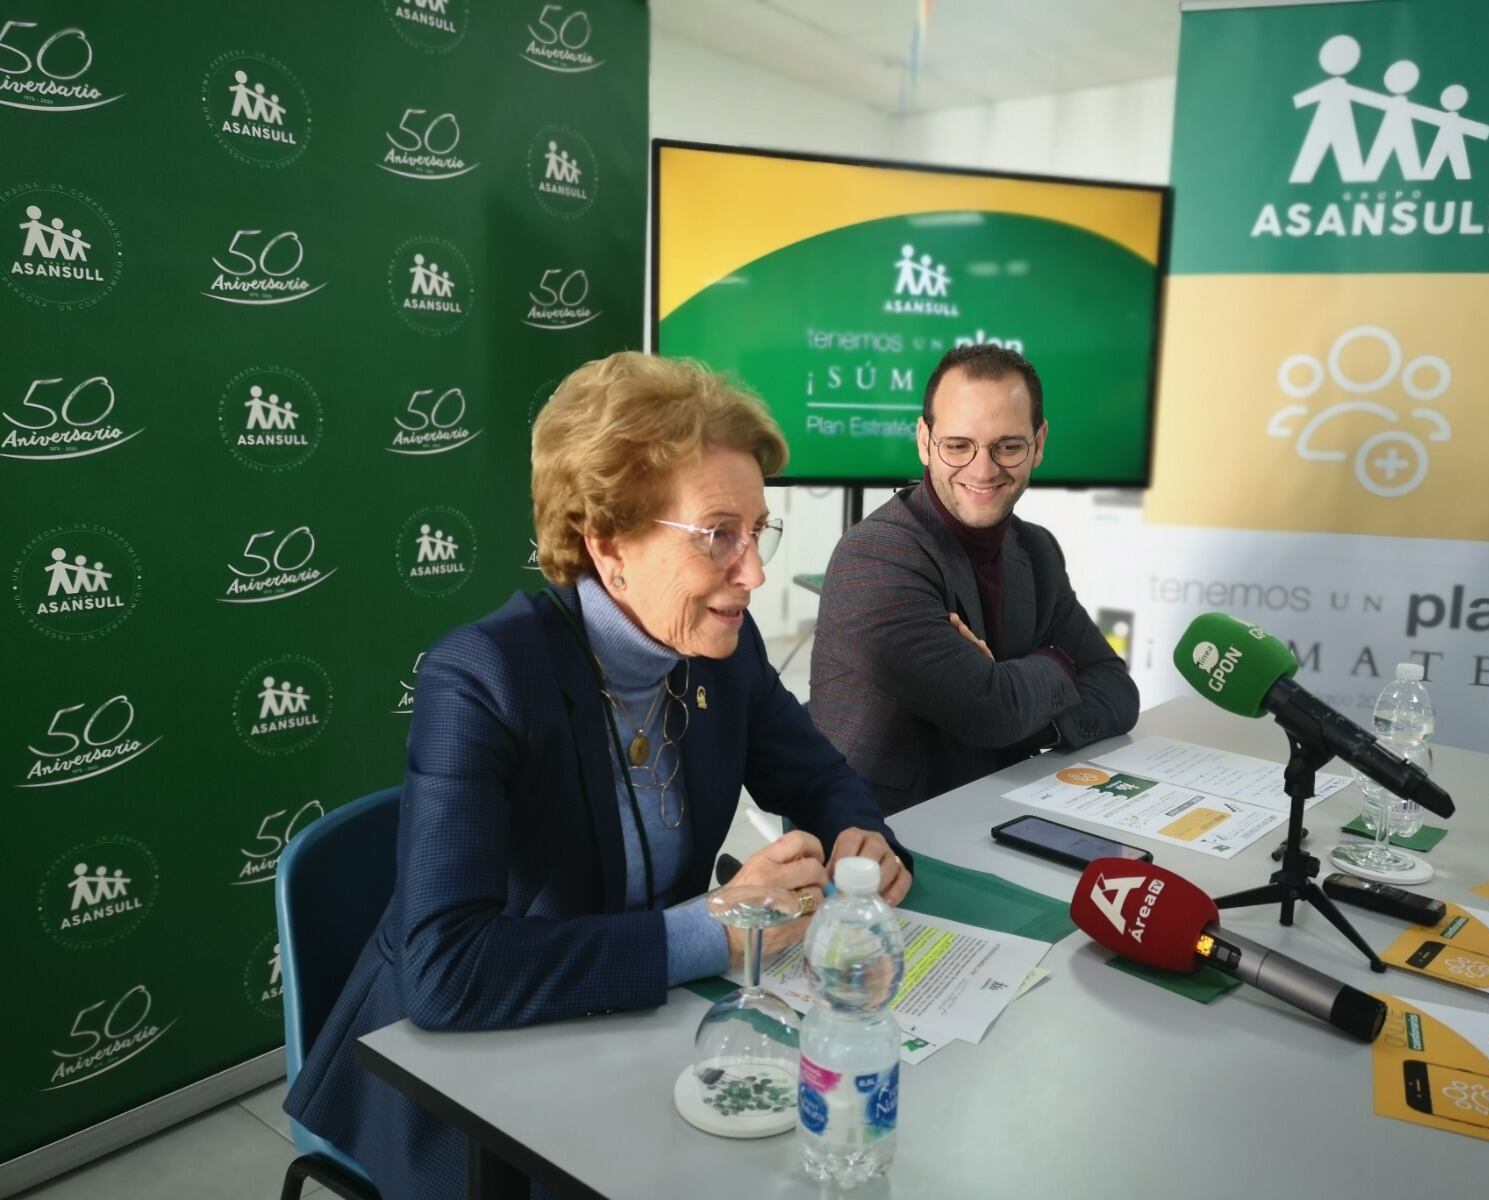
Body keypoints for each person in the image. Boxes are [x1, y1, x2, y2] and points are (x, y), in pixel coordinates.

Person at [285, 352, 912, 1200]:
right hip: (473, 1084)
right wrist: (715, 930)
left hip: (644, 1036)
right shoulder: (483, 679)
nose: (754, 574)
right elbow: (444, 969)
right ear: (607, 541)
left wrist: (857, 840)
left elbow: (821, 778)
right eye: (718, 535)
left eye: (759, 532)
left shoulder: (721, 650)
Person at [809, 344, 1139, 815]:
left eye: (1008, 446)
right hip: (879, 833)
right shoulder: (876, 558)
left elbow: (1117, 691)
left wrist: (1015, 696)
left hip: (1000, 808)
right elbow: (990, 711)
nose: (983, 470)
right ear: (924, 440)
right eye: (958, 445)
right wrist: (1057, 665)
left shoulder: (1037, 550)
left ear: (1039, 444)